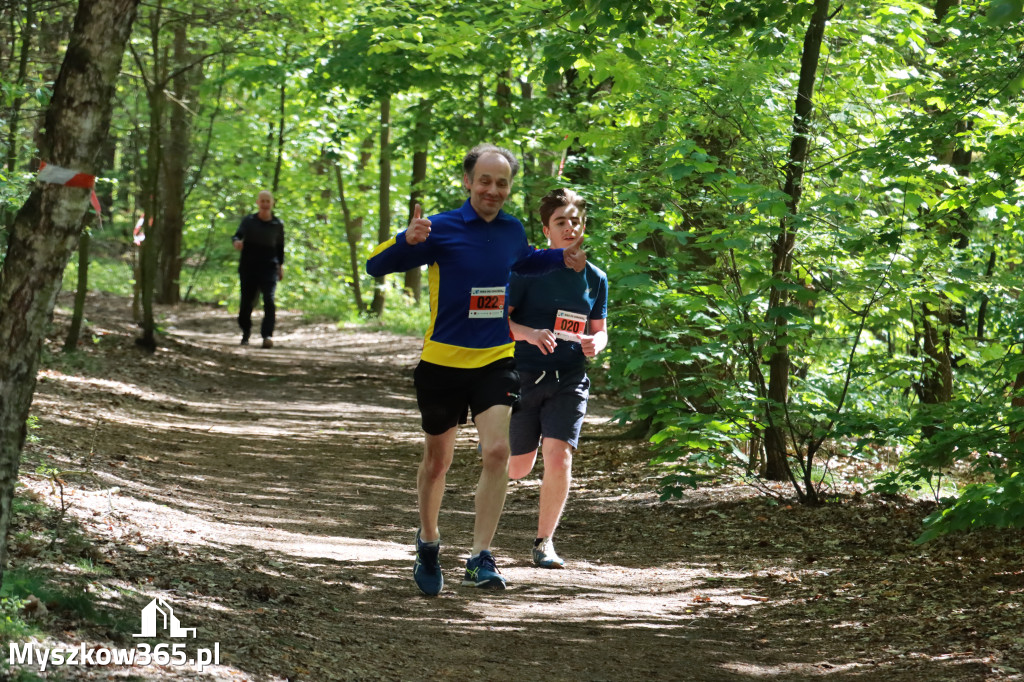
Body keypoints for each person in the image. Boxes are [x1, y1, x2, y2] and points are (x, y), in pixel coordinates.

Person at [366, 144, 586, 595]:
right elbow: (376, 266)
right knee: (437, 461)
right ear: (468, 181)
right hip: (442, 363)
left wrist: (558, 258)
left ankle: (479, 556)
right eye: (484, 181)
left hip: (495, 360)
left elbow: (521, 260)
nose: (492, 190)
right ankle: (428, 542)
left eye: (501, 183)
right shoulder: (440, 227)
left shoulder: (510, 230)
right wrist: (405, 241)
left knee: (497, 453)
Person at [507, 188, 608, 569]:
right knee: (519, 467)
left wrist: (596, 343)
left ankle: (543, 542)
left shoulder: (595, 279)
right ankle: (496, 459)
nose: (570, 228)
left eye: (576, 221)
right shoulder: (527, 269)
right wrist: (530, 333)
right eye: (560, 222)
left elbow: (600, 329)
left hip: (569, 378)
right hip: (523, 376)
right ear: (546, 229)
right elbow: (502, 322)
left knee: (559, 455)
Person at [232, 190, 284, 348]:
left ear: (272, 203)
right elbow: (237, 235)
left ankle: (267, 335)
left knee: (269, 300)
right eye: (262, 201)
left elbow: (280, 247)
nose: (265, 204)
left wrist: (280, 266)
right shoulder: (248, 221)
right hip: (249, 267)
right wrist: (237, 242)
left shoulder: (277, 224)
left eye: (268, 201)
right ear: (257, 203)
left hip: (269, 267)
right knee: (247, 302)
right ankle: (245, 332)